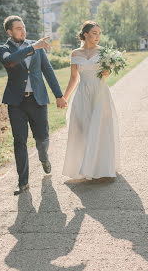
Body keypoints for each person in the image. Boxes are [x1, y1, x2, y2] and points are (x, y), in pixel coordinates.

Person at [0, 15, 67, 195]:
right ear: (9, 31)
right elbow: (10, 60)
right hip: (16, 103)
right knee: (19, 141)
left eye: (23, 27)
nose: (23, 30)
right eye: (18, 28)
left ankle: (44, 157)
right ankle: (23, 182)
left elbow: (48, 71)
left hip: (38, 100)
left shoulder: (37, 47)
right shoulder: (3, 49)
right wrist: (32, 47)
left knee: (42, 137)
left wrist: (59, 95)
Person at [61, 21, 120, 180]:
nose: (97, 37)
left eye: (99, 34)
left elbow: (105, 74)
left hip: (99, 93)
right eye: (94, 33)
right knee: (82, 129)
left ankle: (101, 169)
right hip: (82, 94)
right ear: (85, 34)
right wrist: (64, 98)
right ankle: (84, 167)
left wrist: (107, 69)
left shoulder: (104, 52)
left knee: (99, 128)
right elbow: (74, 78)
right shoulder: (75, 54)